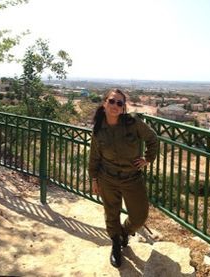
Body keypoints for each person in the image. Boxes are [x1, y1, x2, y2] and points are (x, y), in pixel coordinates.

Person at [87, 89, 158, 268]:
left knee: (140, 216)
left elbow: (152, 138)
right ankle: (116, 243)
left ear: (123, 107)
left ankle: (124, 232)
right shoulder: (98, 128)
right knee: (111, 213)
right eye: (112, 101)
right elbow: (94, 157)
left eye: (120, 103)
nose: (115, 106)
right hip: (107, 177)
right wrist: (94, 179)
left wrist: (147, 159)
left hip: (132, 177)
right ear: (104, 103)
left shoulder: (132, 123)